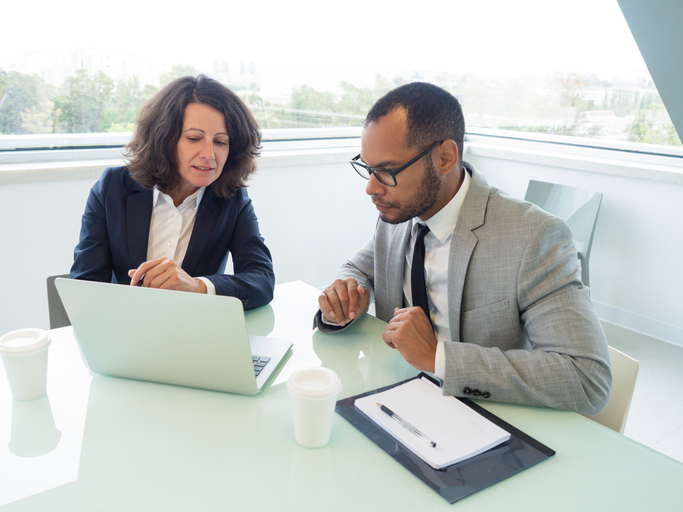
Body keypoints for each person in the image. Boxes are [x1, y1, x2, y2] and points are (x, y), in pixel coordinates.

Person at [314, 82, 611, 414]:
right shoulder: (398, 212)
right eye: (368, 169)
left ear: (445, 158)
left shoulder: (533, 236)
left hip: (484, 419)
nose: (371, 188)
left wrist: (437, 357)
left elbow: (587, 378)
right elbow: (359, 269)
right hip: (392, 400)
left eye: (386, 171)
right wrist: (346, 294)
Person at [71, 75, 274, 310]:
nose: (209, 154)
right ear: (164, 138)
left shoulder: (232, 199)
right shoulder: (112, 188)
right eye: (194, 138)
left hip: (191, 331)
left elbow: (262, 280)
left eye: (220, 142)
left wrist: (198, 287)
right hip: (125, 329)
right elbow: (86, 284)